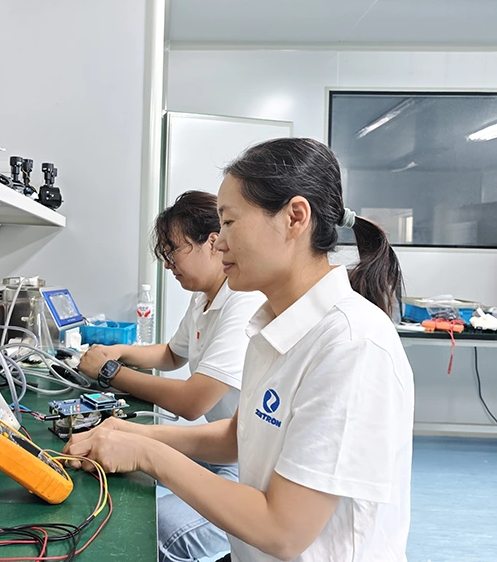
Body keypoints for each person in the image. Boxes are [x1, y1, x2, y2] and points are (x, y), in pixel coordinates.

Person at [65, 138, 415, 562]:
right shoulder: (272, 322)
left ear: (294, 218)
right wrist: (131, 433)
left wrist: (147, 453)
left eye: (229, 222)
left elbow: (283, 531)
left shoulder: (352, 345)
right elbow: (239, 435)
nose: (219, 243)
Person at [75, 190, 265, 562]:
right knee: (114, 474)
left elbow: (193, 402)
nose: (168, 265)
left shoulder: (243, 302)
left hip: (243, 467)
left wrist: (110, 372)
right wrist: (118, 352)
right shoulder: (205, 296)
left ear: (212, 243)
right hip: (223, 448)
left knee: (151, 526)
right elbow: (173, 354)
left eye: (173, 250)